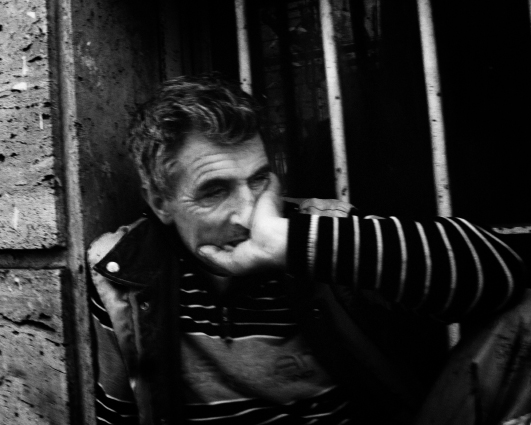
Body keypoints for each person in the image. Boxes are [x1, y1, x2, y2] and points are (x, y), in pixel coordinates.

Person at [88, 74, 528, 425]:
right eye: (215, 190)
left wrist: (290, 245)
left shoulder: (320, 233)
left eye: (259, 179)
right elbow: (117, 416)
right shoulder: (123, 275)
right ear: (160, 202)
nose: (249, 212)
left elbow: (506, 272)